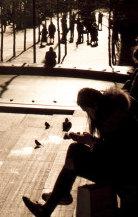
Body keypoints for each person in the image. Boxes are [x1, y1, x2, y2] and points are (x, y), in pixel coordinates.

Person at [22, 86, 138, 216]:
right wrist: (89, 140)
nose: (89, 115)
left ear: (95, 106)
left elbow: (118, 153)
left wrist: (91, 142)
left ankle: (57, 200)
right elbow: (113, 147)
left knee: (75, 154)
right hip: (119, 167)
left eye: (87, 111)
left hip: (126, 176)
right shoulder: (113, 110)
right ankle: (58, 199)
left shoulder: (114, 120)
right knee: (75, 150)